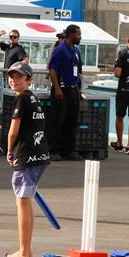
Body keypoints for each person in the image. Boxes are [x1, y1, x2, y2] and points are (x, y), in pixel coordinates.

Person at [3, 61, 50, 257]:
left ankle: (23, 251)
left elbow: (14, 130)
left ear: (28, 79)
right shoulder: (33, 99)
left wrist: (9, 149)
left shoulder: (22, 99)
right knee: (26, 200)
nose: (14, 80)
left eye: (19, 76)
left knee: (22, 201)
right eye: (11, 76)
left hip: (27, 154)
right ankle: (26, 250)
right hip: (40, 154)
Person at [47, 24, 83, 161]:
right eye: (78, 34)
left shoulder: (75, 50)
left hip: (73, 88)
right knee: (58, 120)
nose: (80, 37)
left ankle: (69, 150)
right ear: (71, 34)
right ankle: (54, 149)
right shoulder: (60, 49)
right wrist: (57, 88)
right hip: (61, 89)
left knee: (72, 120)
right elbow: (52, 69)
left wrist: (78, 90)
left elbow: (77, 71)